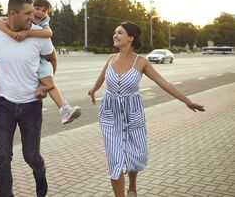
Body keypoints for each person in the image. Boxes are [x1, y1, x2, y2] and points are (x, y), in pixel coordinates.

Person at [87, 21, 205, 197]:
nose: (115, 35)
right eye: (115, 32)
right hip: (110, 115)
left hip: (133, 113)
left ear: (131, 38)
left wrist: (187, 101)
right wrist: (93, 90)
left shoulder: (141, 62)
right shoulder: (111, 58)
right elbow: (101, 77)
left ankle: (132, 186)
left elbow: (162, 82)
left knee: (135, 156)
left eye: (119, 32)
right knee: (115, 160)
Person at [0, 0, 81, 125]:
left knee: (48, 82)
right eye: (36, 9)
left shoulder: (43, 23)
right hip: (9, 69)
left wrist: (27, 33)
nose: (40, 13)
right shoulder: (1, 27)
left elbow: (48, 34)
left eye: (44, 10)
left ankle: (64, 109)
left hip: (38, 61)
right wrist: (11, 33)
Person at [0, 0, 54, 196]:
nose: (33, 17)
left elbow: (52, 60)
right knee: (3, 156)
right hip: (3, 104)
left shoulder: (38, 35)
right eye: (28, 13)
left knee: (31, 156)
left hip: (31, 105)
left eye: (34, 12)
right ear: (13, 13)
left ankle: (40, 173)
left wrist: (43, 84)